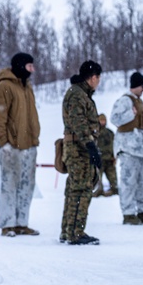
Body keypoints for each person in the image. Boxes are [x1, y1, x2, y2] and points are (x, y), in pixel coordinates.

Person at [0, 52, 41, 237]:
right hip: (11, 146)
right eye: (29, 66)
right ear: (20, 66)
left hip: (29, 145)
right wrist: (3, 142)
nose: (32, 70)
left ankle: (21, 223)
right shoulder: (5, 86)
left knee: (27, 186)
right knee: (9, 185)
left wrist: (34, 139)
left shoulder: (27, 87)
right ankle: (7, 224)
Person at [61, 60, 104, 245]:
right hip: (79, 148)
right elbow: (78, 122)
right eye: (98, 78)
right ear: (92, 77)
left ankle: (67, 231)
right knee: (82, 189)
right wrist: (90, 145)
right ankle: (76, 232)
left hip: (79, 146)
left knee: (75, 188)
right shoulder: (78, 95)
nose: (99, 81)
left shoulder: (80, 93)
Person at [111, 71, 143, 225]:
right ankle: (128, 214)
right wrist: (130, 114)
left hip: (141, 149)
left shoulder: (141, 102)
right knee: (128, 181)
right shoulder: (124, 101)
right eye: (142, 86)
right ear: (135, 85)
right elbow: (115, 119)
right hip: (128, 148)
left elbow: (141, 124)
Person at [95, 113, 118, 197]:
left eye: (104, 120)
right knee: (97, 178)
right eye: (101, 120)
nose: (102, 122)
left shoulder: (110, 133)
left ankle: (113, 189)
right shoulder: (95, 133)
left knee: (113, 178)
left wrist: (114, 157)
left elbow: (115, 146)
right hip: (98, 160)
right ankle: (98, 190)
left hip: (109, 159)